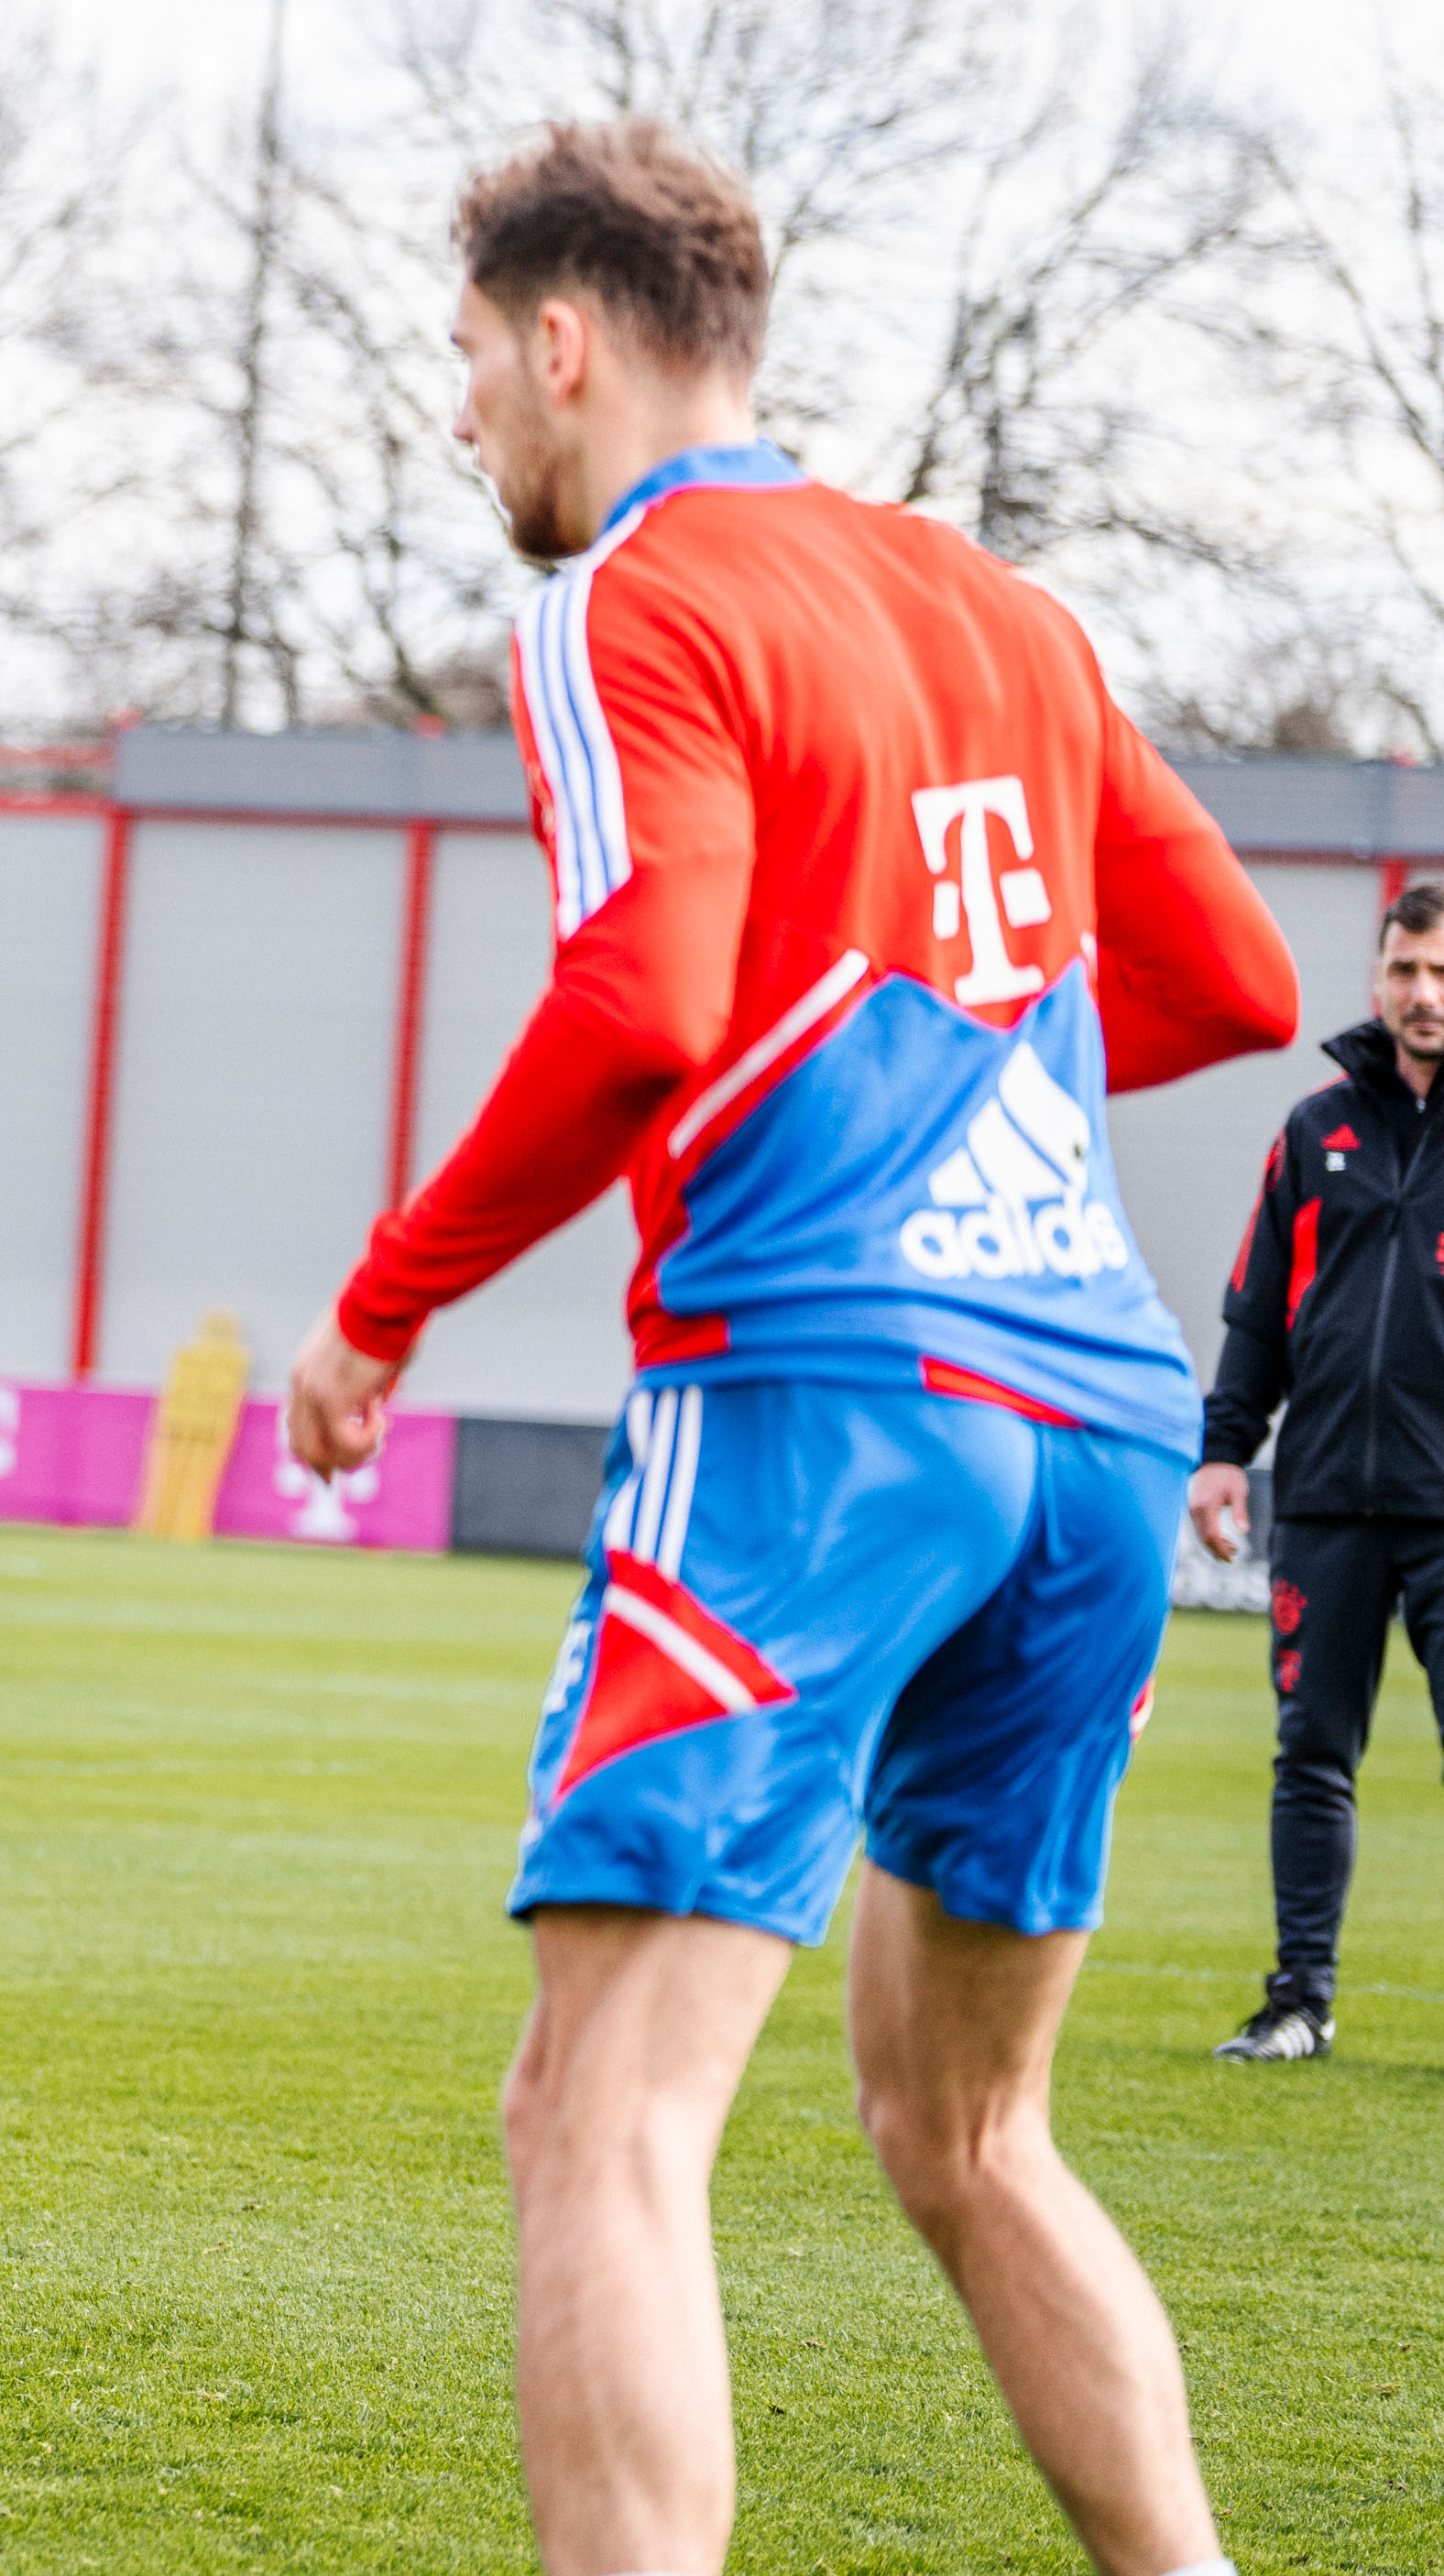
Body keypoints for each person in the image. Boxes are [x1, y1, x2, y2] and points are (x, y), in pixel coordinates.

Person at [278, 125, 1295, 2576]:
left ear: (561, 341)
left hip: (826, 1402)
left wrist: (382, 1301)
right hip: (1095, 1411)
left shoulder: (633, 594)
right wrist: (967, 1070)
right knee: (969, 2135)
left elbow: (648, 994)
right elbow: (1244, 981)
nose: (461, 430)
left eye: (461, 374)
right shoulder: (998, 607)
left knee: (599, 2114)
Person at [1188, 884, 1444, 2064]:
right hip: (1329, 1497)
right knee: (1310, 1754)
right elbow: (1255, 1314)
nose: (1421, 993)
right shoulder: (1313, 1129)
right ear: (1378, 977)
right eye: (1403, 970)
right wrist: (1222, 1453)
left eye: (1437, 972)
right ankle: (1298, 1999)